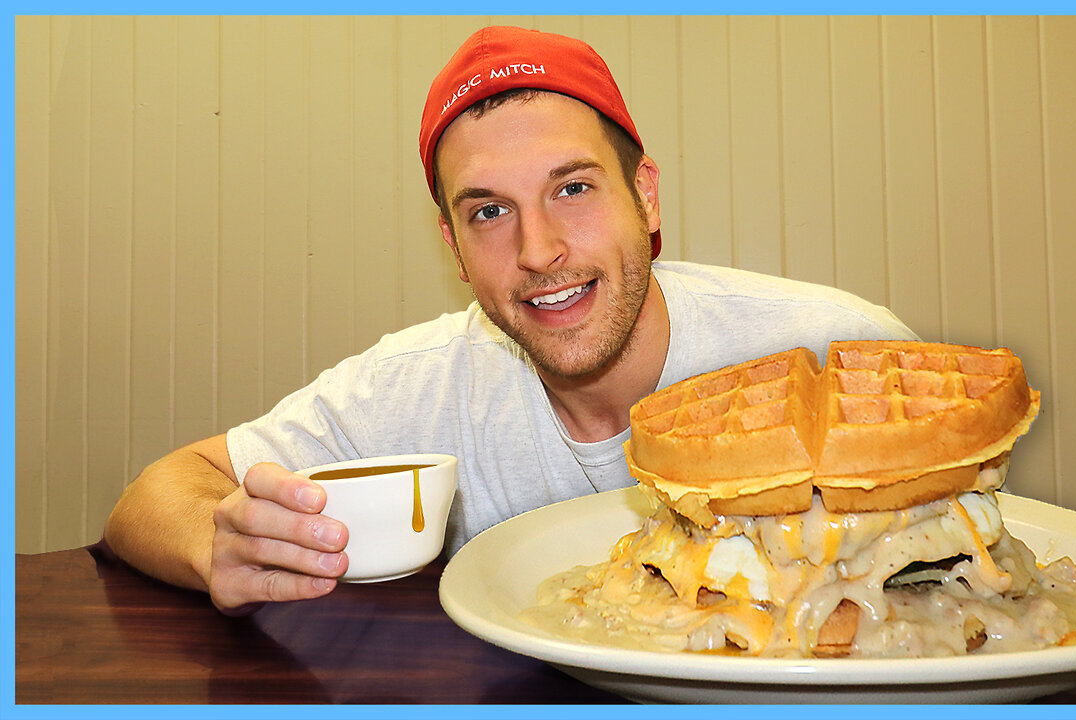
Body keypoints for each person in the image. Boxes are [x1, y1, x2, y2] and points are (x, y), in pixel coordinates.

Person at [104, 26, 917, 615]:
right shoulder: (418, 387)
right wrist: (226, 544)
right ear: (453, 246)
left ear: (647, 198)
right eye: (489, 211)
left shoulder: (840, 355)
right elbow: (155, 493)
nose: (539, 250)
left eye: (573, 188)